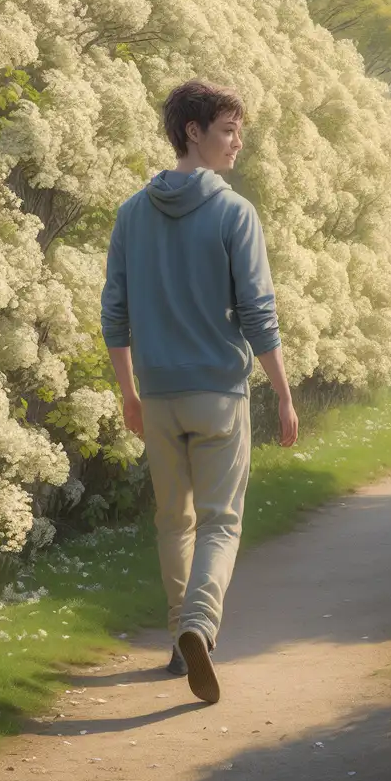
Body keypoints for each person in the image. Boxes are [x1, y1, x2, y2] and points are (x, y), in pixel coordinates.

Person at [100, 79, 298, 704]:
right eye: (229, 130)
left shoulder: (131, 213)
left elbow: (115, 313)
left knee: (172, 520)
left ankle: (176, 641)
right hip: (217, 394)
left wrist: (129, 393)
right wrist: (285, 395)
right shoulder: (234, 212)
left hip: (157, 397)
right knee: (219, 521)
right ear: (194, 132)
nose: (239, 143)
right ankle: (198, 625)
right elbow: (258, 314)